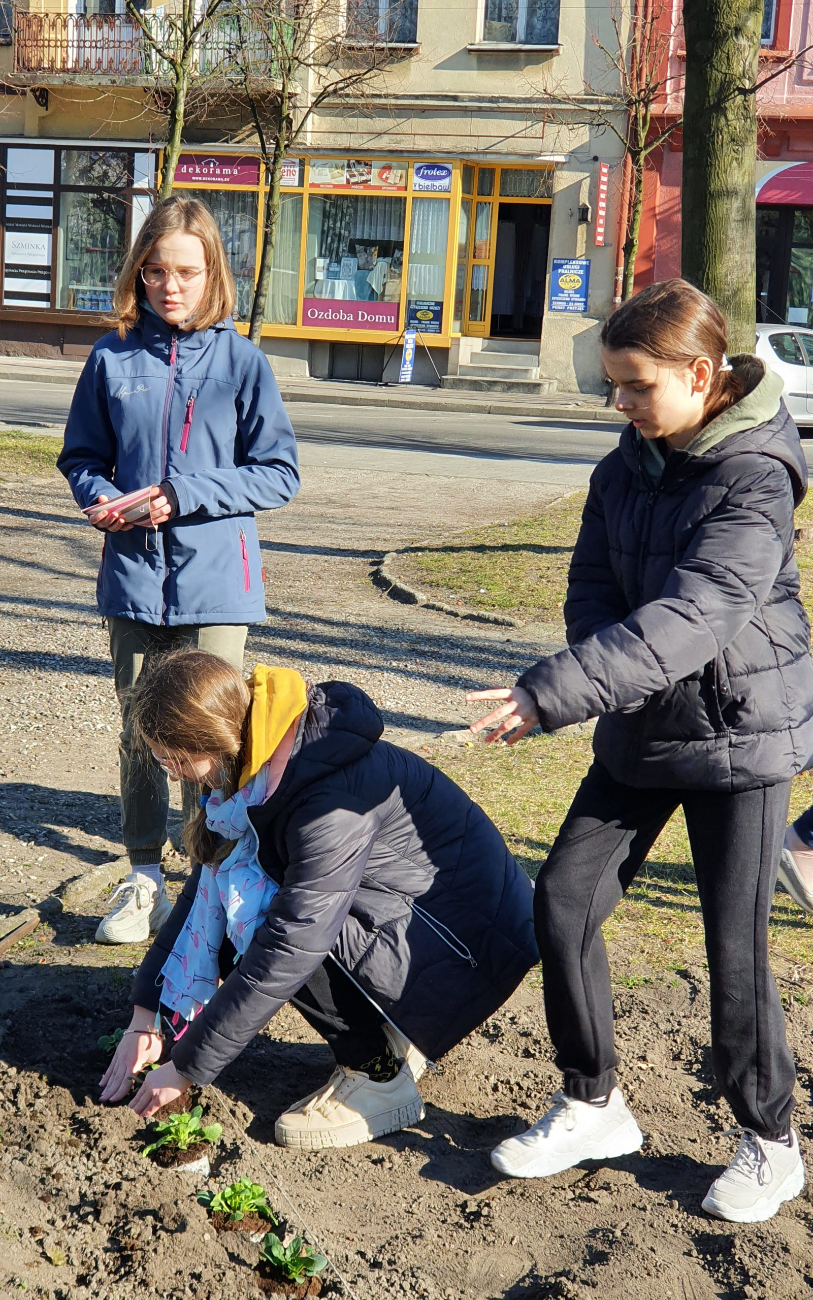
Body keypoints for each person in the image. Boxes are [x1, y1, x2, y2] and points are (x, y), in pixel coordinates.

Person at [468, 279, 813, 1224]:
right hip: (641, 723)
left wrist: (551, 695)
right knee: (566, 898)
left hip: (743, 733)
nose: (616, 404)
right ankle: (592, 1102)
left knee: (733, 947)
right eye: (612, 386)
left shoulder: (754, 476)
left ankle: (770, 1142)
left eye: (633, 386)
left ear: (700, 377)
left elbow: (699, 611)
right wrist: (597, 673)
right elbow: (592, 580)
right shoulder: (629, 459)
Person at [99, 650, 538, 1149]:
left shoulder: (323, 799)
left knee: (269, 918)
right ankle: (392, 1032)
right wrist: (146, 1015)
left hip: (470, 945)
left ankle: (377, 1077)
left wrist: (186, 1068)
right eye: (162, 761)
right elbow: (206, 890)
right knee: (245, 892)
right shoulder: (255, 771)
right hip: (422, 923)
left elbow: (292, 945)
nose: (172, 773)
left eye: (175, 758)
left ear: (216, 738)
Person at [58, 197, 300, 946]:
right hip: (131, 576)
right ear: (139, 272)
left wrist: (184, 495)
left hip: (215, 585)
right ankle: (140, 878)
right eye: (156, 270)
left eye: (186, 272)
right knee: (139, 731)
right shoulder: (110, 357)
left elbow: (279, 474)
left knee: (210, 736)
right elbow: (81, 458)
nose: (170, 285)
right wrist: (100, 498)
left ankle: (209, 878)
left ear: (211, 275)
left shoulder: (242, 362)